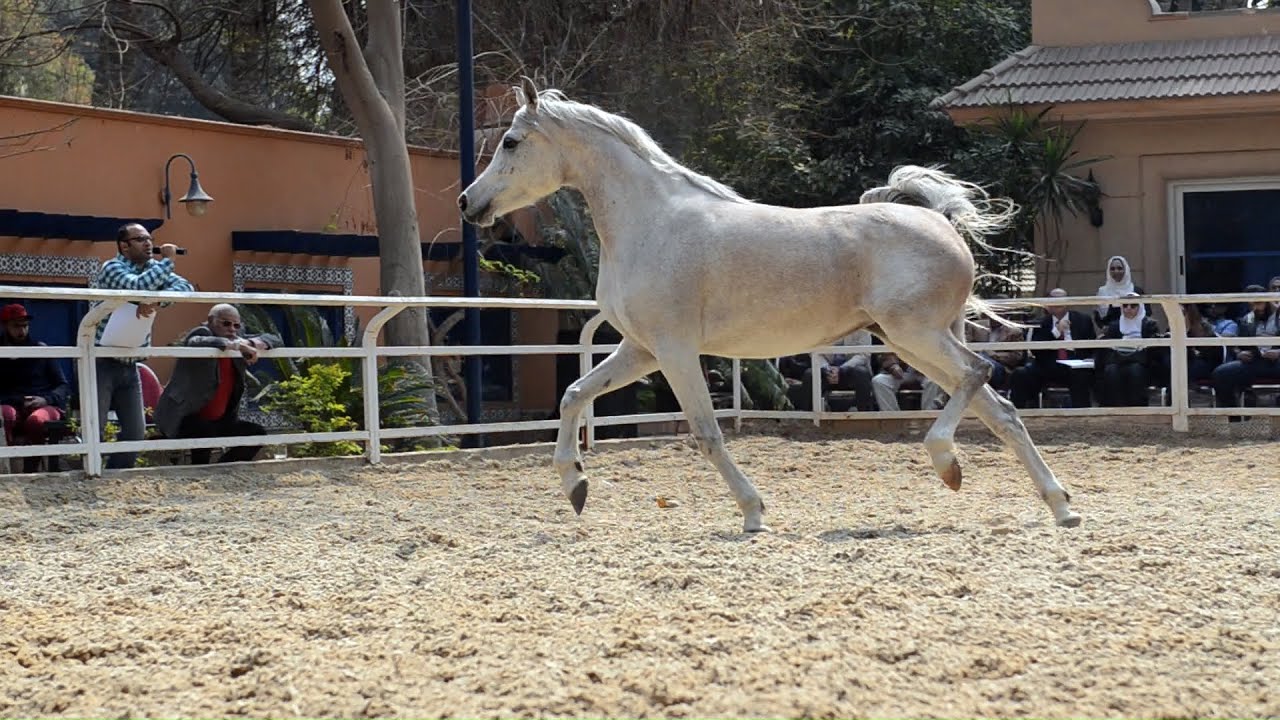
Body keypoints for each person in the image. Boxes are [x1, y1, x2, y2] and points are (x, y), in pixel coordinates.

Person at [93, 223, 193, 470]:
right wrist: (168, 261)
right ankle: (90, 473)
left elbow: (185, 288)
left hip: (130, 362)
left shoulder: (152, 269)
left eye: (150, 238)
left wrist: (153, 300)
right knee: (96, 426)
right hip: (100, 360)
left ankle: (116, 474)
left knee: (136, 432)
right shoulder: (112, 267)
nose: (148, 244)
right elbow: (134, 286)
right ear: (124, 246)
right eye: (140, 239)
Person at [155, 304, 281, 464]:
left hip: (221, 419)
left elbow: (275, 339)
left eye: (236, 325)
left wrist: (250, 343)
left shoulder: (237, 337)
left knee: (256, 433)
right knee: (203, 432)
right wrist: (237, 345)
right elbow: (196, 341)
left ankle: (222, 468)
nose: (232, 329)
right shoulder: (203, 332)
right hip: (186, 417)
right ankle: (199, 473)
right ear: (210, 320)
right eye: (226, 323)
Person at [0, 303, 70, 471]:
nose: (21, 331)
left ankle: (31, 471)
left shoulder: (40, 350)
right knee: (5, 415)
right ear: (5, 326)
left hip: (43, 402)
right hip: (11, 403)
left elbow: (62, 385)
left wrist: (45, 399)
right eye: (16, 326)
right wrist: (17, 400)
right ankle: (7, 469)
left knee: (37, 421)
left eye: (25, 326)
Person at [1010, 288, 1097, 409]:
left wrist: (1090, 359)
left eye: (1063, 298)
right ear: (1048, 305)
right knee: (1020, 374)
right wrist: (1056, 332)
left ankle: (1082, 415)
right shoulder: (1041, 322)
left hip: (1074, 363)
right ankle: (1019, 413)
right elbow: (1036, 350)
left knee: (1081, 376)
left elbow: (1092, 344)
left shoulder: (1083, 319)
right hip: (1048, 363)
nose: (1059, 302)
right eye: (1055, 299)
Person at [1211, 286, 1280, 415]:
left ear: (1268, 300)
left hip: (1278, 361)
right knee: (1221, 373)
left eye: (1259, 303)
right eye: (1252, 304)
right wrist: (1239, 353)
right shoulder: (1247, 319)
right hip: (1256, 361)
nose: (1256, 308)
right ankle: (1235, 418)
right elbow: (1238, 344)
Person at [1096, 293, 1161, 407]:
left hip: (1142, 362)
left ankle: (1137, 408)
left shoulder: (1149, 325)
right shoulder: (1114, 325)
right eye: (1125, 305)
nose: (1128, 309)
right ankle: (1115, 409)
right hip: (1117, 360)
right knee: (1111, 371)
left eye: (1133, 306)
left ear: (1139, 307)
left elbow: (1154, 349)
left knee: (1135, 371)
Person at [871, 352, 944, 412]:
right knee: (879, 381)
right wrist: (892, 366)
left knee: (934, 380)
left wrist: (927, 366)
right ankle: (892, 418)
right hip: (903, 371)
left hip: (928, 372)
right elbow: (885, 353)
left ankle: (928, 416)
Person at [1094, 255, 1148, 328]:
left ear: (1126, 270)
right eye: (1112, 269)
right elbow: (1098, 317)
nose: (1116, 271)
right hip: (1110, 334)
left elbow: (1147, 314)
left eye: (1119, 268)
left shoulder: (1136, 291)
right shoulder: (1102, 291)